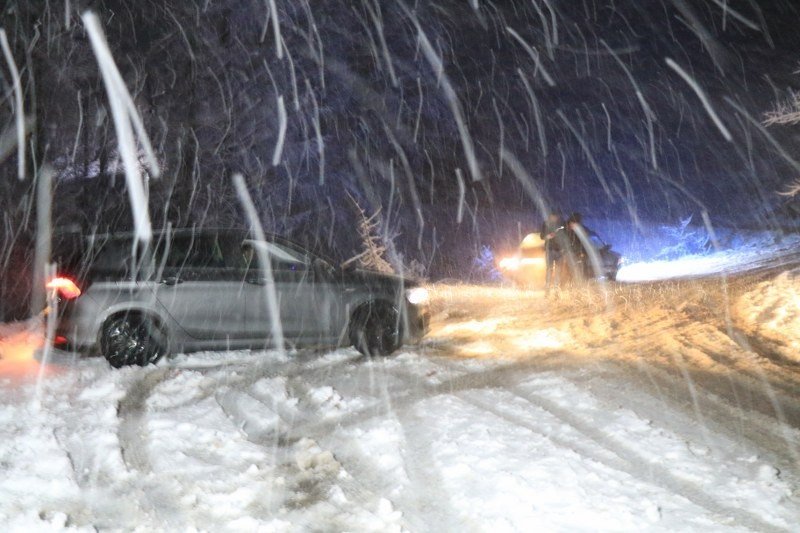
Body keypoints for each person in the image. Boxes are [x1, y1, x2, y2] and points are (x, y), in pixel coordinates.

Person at [539, 212, 565, 292]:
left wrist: (563, 248)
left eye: (556, 216)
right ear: (550, 216)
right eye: (553, 216)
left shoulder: (561, 225)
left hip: (559, 251)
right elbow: (542, 236)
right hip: (550, 250)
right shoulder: (546, 224)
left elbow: (565, 236)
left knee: (558, 270)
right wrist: (549, 236)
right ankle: (547, 287)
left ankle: (556, 287)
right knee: (549, 269)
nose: (554, 218)